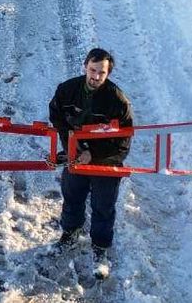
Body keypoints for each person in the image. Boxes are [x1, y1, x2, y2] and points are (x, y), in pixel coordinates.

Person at [48, 48, 133, 265]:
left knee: (103, 205)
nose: (95, 76)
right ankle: (70, 233)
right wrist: (72, 148)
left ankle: (100, 247)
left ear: (108, 74)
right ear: (85, 65)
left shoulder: (117, 101)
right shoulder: (67, 90)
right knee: (72, 196)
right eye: (93, 70)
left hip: (106, 163)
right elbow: (56, 116)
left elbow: (123, 143)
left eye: (101, 73)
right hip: (76, 157)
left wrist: (93, 154)